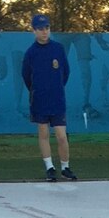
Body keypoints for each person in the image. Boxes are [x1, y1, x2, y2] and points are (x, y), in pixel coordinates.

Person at [22, 13, 77, 182]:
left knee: (61, 135)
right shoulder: (31, 53)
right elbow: (26, 76)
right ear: (34, 31)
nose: (44, 32)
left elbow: (65, 72)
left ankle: (65, 167)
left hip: (57, 98)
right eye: (40, 29)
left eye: (46, 28)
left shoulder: (58, 48)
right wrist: (37, 90)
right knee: (43, 133)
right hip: (39, 99)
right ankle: (49, 167)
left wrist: (57, 87)